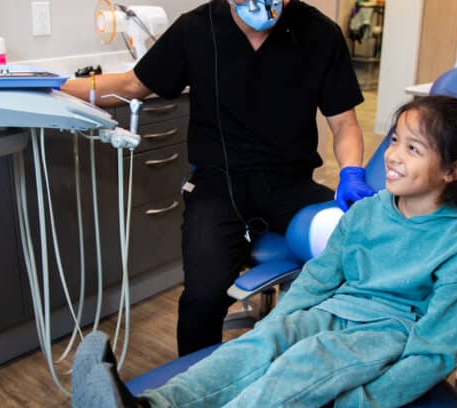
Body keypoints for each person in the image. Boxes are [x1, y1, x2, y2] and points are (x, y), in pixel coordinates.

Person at [71, 94, 457, 407]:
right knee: (255, 347)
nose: (392, 156)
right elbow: (320, 276)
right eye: (393, 140)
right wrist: (278, 323)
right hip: (334, 310)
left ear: (452, 170)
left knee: (305, 364)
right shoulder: (368, 211)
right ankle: (151, 405)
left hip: (386, 333)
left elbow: (434, 350)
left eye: (413, 148)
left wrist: (366, 401)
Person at [62, 0, 374, 356]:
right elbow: (132, 84)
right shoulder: (196, 28)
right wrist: (56, 85)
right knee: (202, 297)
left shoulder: (320, 33)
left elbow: (344, 123)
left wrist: (351, 172)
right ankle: (193, 385)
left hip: (292, 183)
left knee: (356, 252)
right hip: (217, 186)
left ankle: (324, 367)